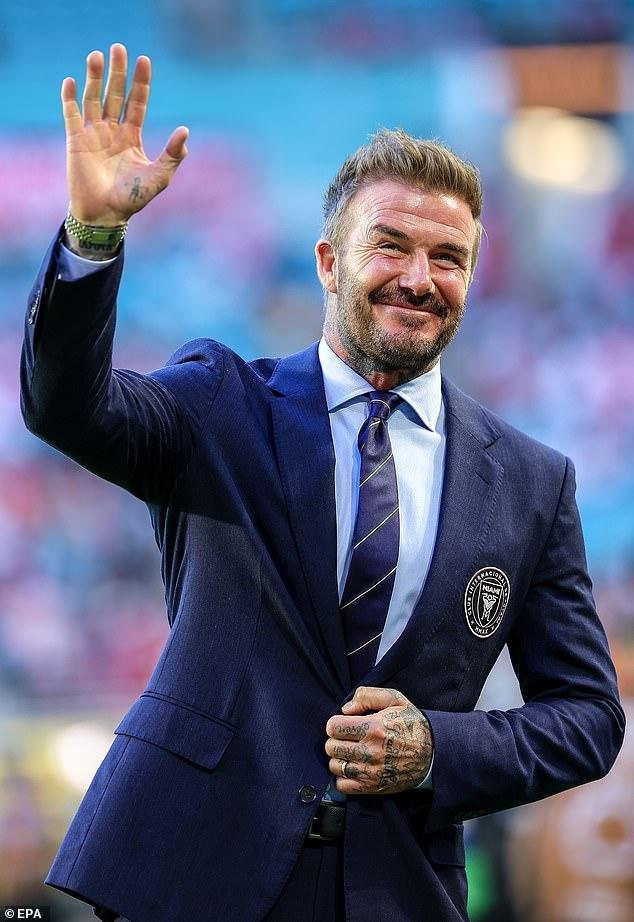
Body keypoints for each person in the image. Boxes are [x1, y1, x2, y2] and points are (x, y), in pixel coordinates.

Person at [21, 44, 624, 922]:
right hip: (192, 873)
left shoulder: (533, 482)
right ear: (329, 263)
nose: (419, 279)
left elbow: (589, 716)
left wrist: (437, 748)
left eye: (448, 257)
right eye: (390, 246)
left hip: (395, 890)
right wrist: (93, 237)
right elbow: (66, 409)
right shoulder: (223, 402)